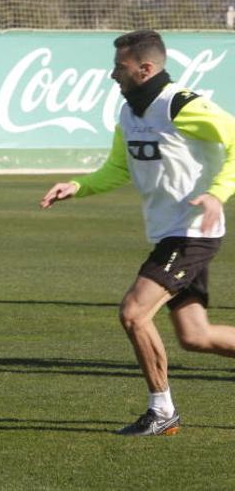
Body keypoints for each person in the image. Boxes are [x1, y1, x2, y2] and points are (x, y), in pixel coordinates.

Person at [40, 29, 235, 436]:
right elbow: (118, 168)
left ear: (145, 69)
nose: (113, 75)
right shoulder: (129, 114)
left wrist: (218, 193)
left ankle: (162, 413)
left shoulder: (182, 104)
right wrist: (78, 186)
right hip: (170, 233)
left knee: (133, 313)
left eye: (120, 67)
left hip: (192, 231)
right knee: (195, 336)